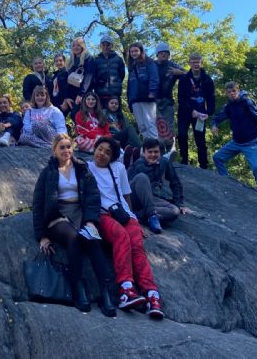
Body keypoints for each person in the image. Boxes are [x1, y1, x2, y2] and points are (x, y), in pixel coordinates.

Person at [33, 133, 116, 317]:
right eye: (61, 147)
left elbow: (93, 196)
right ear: (54, 150)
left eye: (68, 146)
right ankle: (78, 286)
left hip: (79, 212)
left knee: (93, 240)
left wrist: (91, 221)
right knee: (74, 237)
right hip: (58, 214)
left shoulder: (81, 168)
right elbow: (38, 204)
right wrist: (42, 236)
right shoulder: (48, 172)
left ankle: (105, 292)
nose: (66, 150)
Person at [87, 137, 164, 319]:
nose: (102, 154)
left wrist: (133, 219)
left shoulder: (119, 168)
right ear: (94, 149)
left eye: (107, 152)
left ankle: (151, 293)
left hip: (123, 213)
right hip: (103, 214)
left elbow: (126, 195)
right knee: (121, 237)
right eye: (100, 149)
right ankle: (126, 288)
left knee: (137, 246)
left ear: (113, 157)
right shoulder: (86, 168)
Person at [211, 82, 257, 191]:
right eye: (229, 92)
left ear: (238, 90)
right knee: (217, 158)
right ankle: (226, 181)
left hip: (251, 143)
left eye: (234, 91)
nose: (232, 94)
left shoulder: (247, 102)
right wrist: (214, 125)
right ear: (226, 94)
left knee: (256, 168)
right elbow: (217, 118)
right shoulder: (228, 106)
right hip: (236, 142)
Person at [127, 138, 187, 234]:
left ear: (160, 152)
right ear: (144, 153)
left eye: (156, 152)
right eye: (150, 152)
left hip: (152, 200)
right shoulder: (137, 165)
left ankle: (138, 215)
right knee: (142, 177)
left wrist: (178, 202)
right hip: (135, 199)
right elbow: (125, 186)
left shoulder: (164, 162)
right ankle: (151, 216)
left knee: (174, 211)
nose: (153, 155)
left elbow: (175, 182)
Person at [177, 53, 215, 169]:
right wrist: (191, 110)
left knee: (200, 139)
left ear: (201, 63)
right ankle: (184, 160)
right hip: (185, 112)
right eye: (193, 62)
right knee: (182, 135)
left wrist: (208, 113)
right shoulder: (184, 79)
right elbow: (181, 98)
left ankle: (203, 165)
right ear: (189, 63)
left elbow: (211, 98)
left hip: (200, 114)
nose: (195, 64)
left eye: (197, 62)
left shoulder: (207, 79)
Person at [154, 42, 185, 154]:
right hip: (153, 103)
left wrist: (179, 72)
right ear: (157, 54)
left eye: (166, 53)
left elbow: (189, 75)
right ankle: (157, 155)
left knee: (169, 129)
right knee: (156, 130)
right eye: (161, 52)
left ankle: (170, 153)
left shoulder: (172, 65)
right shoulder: (151, 65)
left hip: (167, 102)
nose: (164, 54)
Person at [126, 42, 159, 140]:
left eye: (136, 51)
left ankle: (155, 146)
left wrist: (152, 92)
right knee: (142, 126)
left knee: (150, 123)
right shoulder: (131, 66)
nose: (134, 53)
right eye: (131, 51)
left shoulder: (149, 62)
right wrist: (129, 100)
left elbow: (154, 77)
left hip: (147, 97)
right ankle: (147, 146)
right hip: (135, 99)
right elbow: (129, 85)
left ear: (141, 51)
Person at [65, 37, 95, 118]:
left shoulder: (88, 58)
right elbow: (68, 80)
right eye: (73, 45)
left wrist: (81, 94)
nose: (76, 47)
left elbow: (88, 77)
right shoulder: (71, 60)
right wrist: (67, 96)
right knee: (74, 116)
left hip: (83, 93)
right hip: (72, 94)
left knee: (78, 115)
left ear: (82, 46)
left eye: (78, 45)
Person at [94, 34, 126, 108]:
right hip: (100, 94)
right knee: (101, 114)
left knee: (115, 114)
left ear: (111, 46)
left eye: (108, 45)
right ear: (101, 46)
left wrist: (115, 83)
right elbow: (94, 76)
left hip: (115, 94)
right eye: (103, 45)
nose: (105, 47)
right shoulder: (96, 59)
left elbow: (122, 75)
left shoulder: (118, 59)